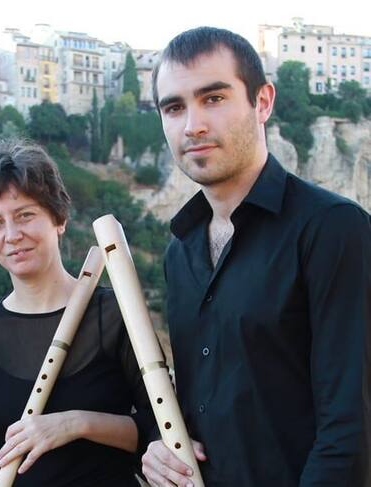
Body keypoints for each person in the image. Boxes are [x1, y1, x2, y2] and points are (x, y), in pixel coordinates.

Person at [141, 26, 371, 486]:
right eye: (174, 107)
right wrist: (157, 448)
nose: (192, 125)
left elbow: (349, 431)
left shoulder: (333, 229)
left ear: (262, 102)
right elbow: (202, 405)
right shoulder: (179, 252)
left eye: (213, 98)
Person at [0, 140, 156, 487]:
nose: (12, 235)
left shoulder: (114, 313)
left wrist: (76, 423)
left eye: (25, 215)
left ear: (58, 218)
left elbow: (157, 427)